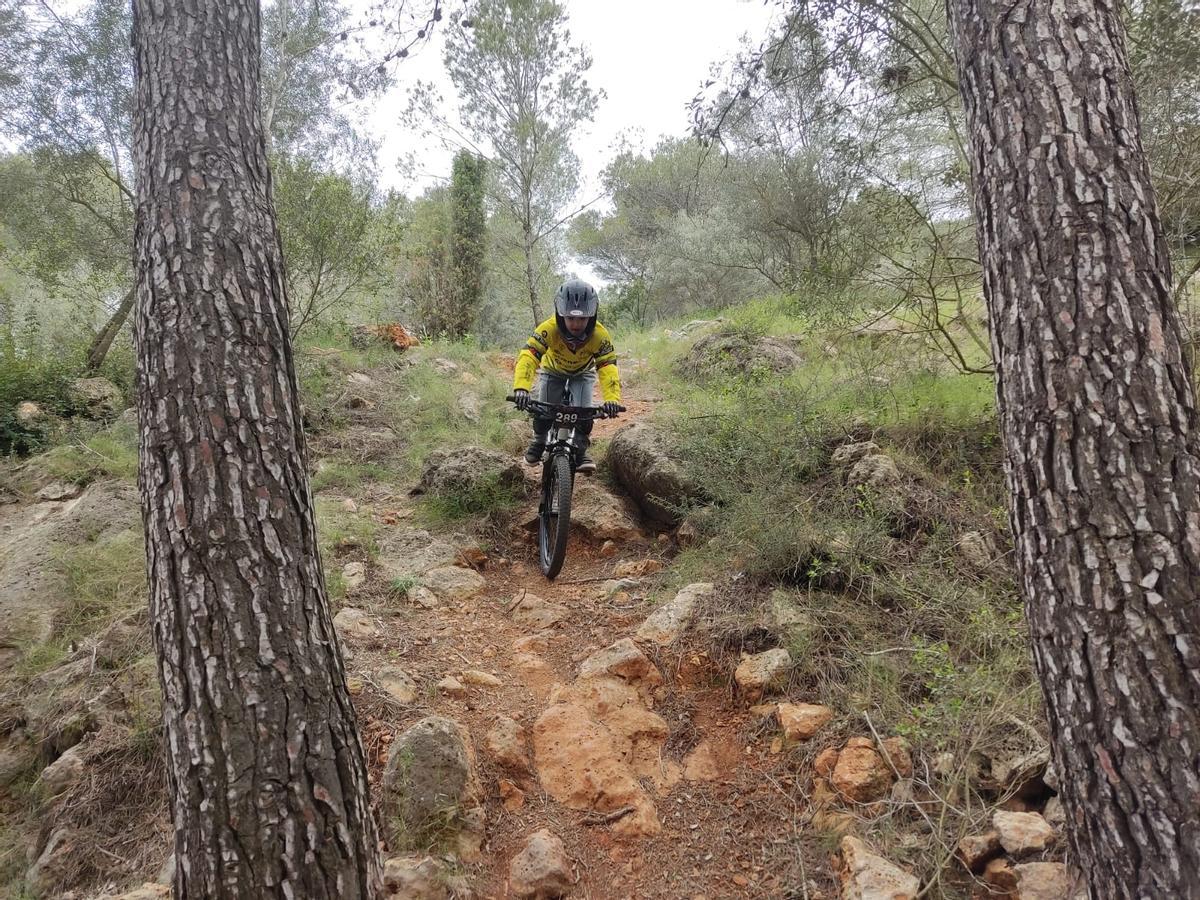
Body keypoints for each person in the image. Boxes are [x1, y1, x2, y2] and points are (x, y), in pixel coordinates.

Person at [511, 277, 621, 475]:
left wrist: (612, 399)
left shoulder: (600, 335)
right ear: (560, 315)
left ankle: (580, 449)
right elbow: (529, 356)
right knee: (543, 411)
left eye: (582, 318)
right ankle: (538, 440)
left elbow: (607, 367)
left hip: (583, 374)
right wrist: (521, 387)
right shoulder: (548, 329)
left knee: (584, 412)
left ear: (592, 315)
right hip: (552, 371)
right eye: (570, 318)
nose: (576, 324)